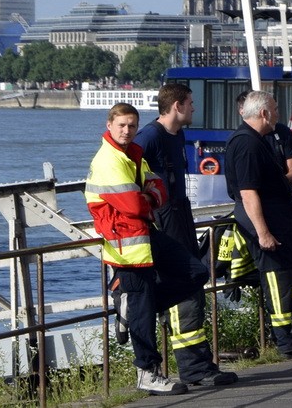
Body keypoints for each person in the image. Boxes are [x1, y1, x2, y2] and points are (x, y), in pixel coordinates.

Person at [85, 103, 209, 396]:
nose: (127, 130)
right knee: (142, 305)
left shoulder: (133, 155)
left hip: (144, 234)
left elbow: (159, 189)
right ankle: (147, 372)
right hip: (124, 244)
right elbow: (135, 204)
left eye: (132, 125)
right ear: (109, 125)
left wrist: (148, 196)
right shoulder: (109, 160)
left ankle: (132, 308)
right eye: (122, 125)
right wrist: (148, 197)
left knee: (196, 272)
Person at [134, 83, 238, 387]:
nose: (194, 108)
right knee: (185, 289)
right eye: (191, 103)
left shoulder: (177, 135)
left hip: (180, 212)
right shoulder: (149, 138)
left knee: (194, 281)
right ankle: (194, 368)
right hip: (165, 219)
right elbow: (130, 176)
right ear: (177, 105)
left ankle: (199, 363)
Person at [224, 90, 292, 358]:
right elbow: (248, 192)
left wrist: (286, 191)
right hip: (268, 225)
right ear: (264, 113)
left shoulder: (256, 140)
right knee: (278, 284)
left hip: (283, 221)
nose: (278, 114)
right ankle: (288, 342)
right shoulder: (246, 144)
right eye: (276, 109)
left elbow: (266, 182)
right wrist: (263, 233)